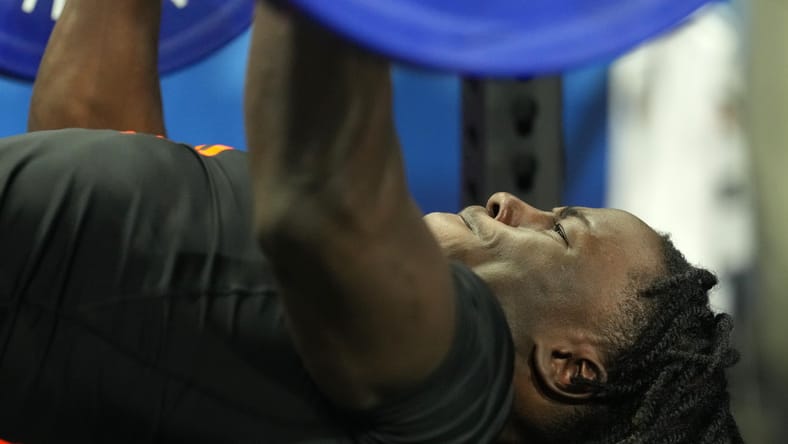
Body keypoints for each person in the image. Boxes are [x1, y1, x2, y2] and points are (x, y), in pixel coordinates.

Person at [0, 0, 743, 443]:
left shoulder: (458, 391)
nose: (509, 205)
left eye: (558, 233)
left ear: (570, 367)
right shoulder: (305, 353)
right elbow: (96, 150)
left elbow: (322, 198)